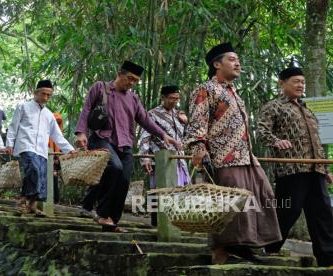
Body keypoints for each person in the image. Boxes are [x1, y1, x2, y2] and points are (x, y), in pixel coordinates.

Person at [184, 43, 281, 264]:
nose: (238, 63)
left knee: (262, 196)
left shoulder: (233, 92)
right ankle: (222, 252)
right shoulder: (206, 89)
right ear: (216, 64)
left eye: (238, 59)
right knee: (228, 204)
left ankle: (245, 247)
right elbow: (197, 121)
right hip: (223, 157)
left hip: (245, 156)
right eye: (231, 59)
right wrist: (199, 148)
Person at [75, 60, 180, 232]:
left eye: (135, 81)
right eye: (129, 78)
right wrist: (81, 133)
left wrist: (163, 134)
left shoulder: (133, 98)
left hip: (124, 143)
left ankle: (112, 220)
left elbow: (145, 119)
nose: (131, 83)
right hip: (102, 138)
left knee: (124, 178)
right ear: (119, 73)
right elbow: (86, 109)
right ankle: (102, 214)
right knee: (114, 167)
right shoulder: (101, 88)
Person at [257, 67, 333, 267]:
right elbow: (261, 131)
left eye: (302, 82)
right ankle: (270, 248)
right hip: (291, 169)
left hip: (315, 169)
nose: (301, 85)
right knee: (288, 210)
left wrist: (325, 169)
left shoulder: (307, 109)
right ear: (282, 83)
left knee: (323, 212)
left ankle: (328, 258)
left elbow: (317, 142)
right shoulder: (273, 106)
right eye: (296, 81)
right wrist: (276, 141)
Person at [6, 80, 75, 216]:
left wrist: (70, 150)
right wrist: (9, 144)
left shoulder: (49, 115)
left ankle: (32, 206)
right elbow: (13, 127)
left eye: (49, 95)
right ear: (35, 93)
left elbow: (57, 136)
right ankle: (22, 201)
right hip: (26, 145)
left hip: (42, 149)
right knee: (33, 169)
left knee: (42, 177)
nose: (45, 97)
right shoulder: (23, 107)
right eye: (43, 94)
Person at [138, 85, 190, 226]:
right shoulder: (152, 114)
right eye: (171, 98)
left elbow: (186, 137)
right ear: (163, 97)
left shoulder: (178, 115)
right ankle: (156, 222)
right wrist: (145, 157)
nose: (174, 101)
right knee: (158, 189)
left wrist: (186, 122)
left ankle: (175, 223)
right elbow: (144, 137)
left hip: (178, 158)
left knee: (179, 189)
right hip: (160, 158)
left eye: (177, 99)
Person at [48, 112, 64, 204]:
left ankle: (55, 200)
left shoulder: (60, 136)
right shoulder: (47, 133)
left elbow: (61, 149)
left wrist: (58, 159)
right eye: (56, 123)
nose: (57, 125)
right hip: (47, 159)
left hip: (55, 161)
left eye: (59, 123)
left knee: (54, 177)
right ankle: (49, 199)